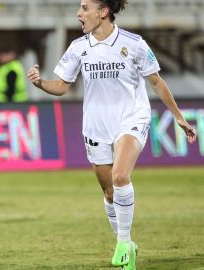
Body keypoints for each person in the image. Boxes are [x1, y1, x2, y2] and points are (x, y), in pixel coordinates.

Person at [27, 1, 196, 269]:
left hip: (131, 118)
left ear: (103, 11)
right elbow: (61, 85)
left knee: (120, 176)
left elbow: (156, 82)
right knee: (109, 192)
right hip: (96, 126)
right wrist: (40, 83)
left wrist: (178, 116)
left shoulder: (134, 43)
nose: (78, 14)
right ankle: (126, 243)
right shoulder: (78, 47)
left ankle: (123, 244)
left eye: (84, 8)